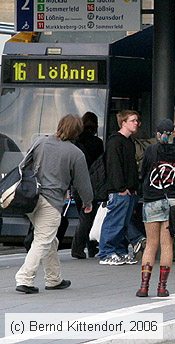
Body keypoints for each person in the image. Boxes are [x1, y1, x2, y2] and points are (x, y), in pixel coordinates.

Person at [15, 114, 93, 294]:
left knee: (50, 239)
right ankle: (25, 278)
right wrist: (87, 202)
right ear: (77, 132)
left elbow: (23, 165)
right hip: (51, 201)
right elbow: (83, 183)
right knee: (43, 240)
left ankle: (54, 278)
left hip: (31, 199)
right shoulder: (76, 153)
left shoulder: (40, 142)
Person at [136, 119, 175, 297]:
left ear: (158, 134)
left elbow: (142, 173)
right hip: (172, 202)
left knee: (151, 244)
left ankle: (144, 287)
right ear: (174, 133)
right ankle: (162, 287)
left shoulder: (151, 150)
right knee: (167, 246)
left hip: (151, 200)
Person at [98, 110, 140, 266]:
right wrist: (121, 187)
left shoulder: (128, 142)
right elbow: (114, 166)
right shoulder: (115, 141)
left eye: (137, 120)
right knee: (114, 221)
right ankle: (106, 252)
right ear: (123, 123)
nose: (136, 123)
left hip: (128, 190)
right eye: (133, 120)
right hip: (120, 190)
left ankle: (120, 251)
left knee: (123, 223)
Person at [71, 111, 104, 260]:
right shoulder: (97, 143)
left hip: (76, 183)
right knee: (89, 216)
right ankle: (83, 248)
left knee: (84, 215)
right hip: (91, 183)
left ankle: (83, 247)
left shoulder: (75, 141)